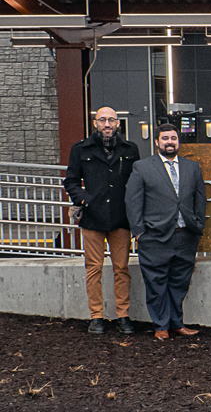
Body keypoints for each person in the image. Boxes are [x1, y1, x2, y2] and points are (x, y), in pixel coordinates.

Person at [62, 106, 141, 335]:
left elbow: (136, 182)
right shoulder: (80, 149)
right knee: (93, 269)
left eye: (112, 120)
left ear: (118, 124)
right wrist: (85, 200)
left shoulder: (130, 149)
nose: (107, 124)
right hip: (92, 218)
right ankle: (96, 316)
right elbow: (71, 181)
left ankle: (123, 316)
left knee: (122, 269)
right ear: (95, 123)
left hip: (121, 218)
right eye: (103, 120)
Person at [125, 123, 206, 341]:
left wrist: (197, 226)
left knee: (179, 282)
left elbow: (200, 199)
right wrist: (139, 231)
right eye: (165, 138)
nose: (170, 142)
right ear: (157, 142)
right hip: (154, 237)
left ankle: (177, 323)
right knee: (156, 283)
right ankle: (160, 325)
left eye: (173, 138)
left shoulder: (192, 167)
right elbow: (133, 201)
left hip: (185, 234)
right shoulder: (142, 167)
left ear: (178, 141)